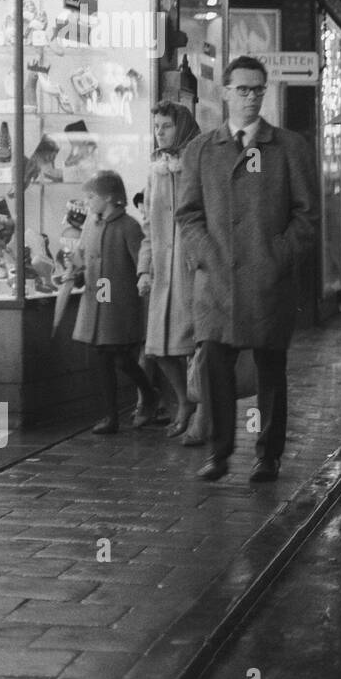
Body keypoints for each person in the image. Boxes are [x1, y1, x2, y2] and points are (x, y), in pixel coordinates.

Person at [176, 56, 318, 483]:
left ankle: (267, 454)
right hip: (216, 281)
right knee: (214, 366)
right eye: (243, 89)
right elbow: (188, 214)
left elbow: (307, 215)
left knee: (270, 369)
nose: (251, 96)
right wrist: (206, 253)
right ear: (225, 92)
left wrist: (277, 255)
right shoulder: (202, 149)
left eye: (258, 89)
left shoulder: (288, 147)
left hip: (268, 282)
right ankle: (219, 452)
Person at [72, 170, 161, 435]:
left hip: (119, 306)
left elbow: (142, 261)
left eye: (92, 196)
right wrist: (75, 272)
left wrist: (143, 285)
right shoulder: (91, 224)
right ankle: (111, 416)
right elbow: (83, 256)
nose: (88, 202)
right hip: (96, 305)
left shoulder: (129, 227)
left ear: (109, 198)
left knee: (121, 358)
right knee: (103, 357)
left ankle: (148, 393)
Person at [137, 101, 201, 439]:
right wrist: (144, 270)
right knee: (159, 348)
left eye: (166, 126)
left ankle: (200, 412)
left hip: (193, 271)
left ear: (182, 127)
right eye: (156, 126)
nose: (159, 132)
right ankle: (183, 401)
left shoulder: (199, 163)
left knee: (194, 347)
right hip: (164, 271)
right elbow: (148, 224)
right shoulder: (155, 170)